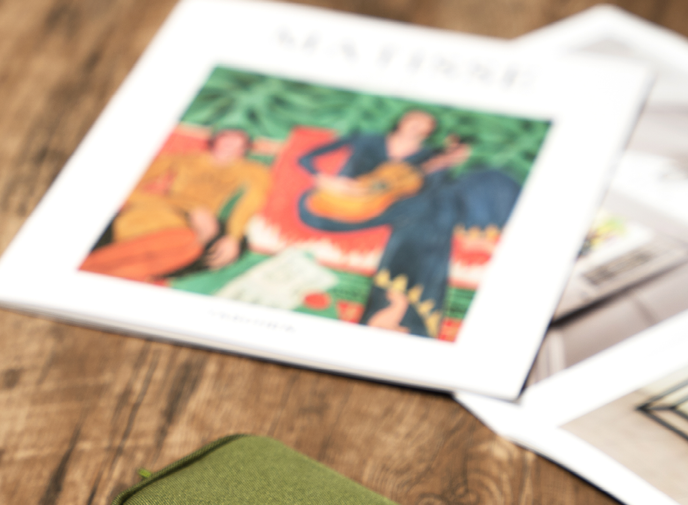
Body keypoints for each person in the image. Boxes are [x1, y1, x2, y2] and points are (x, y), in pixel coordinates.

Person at [295, 111, 520, 336]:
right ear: (401, 120)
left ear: (430, 131)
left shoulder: (428, 155)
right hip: (342, 206)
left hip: (401, 210)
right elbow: (305, 158)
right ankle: (412, 309)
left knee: (449, 200)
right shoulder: (369, 139)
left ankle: (401, 314)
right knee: (430, 211)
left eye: (425, 125)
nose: (418, 127)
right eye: (415, 120)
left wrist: (444, 162)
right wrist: (324, 178)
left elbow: (431, 187)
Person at [80, 129, 270, 282]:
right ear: (215, 140)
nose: (229, 148)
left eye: (238, 145)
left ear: (245, 149)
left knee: (224, 246)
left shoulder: (253, 171)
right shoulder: (183, 159)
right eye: (226, 140)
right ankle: (96, 267)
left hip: (206, 220)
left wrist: (233, 237)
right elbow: (129, 188)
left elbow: (248, 205)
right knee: (178, 236)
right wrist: (189, 208)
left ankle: (113, 272)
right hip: (167, 208)